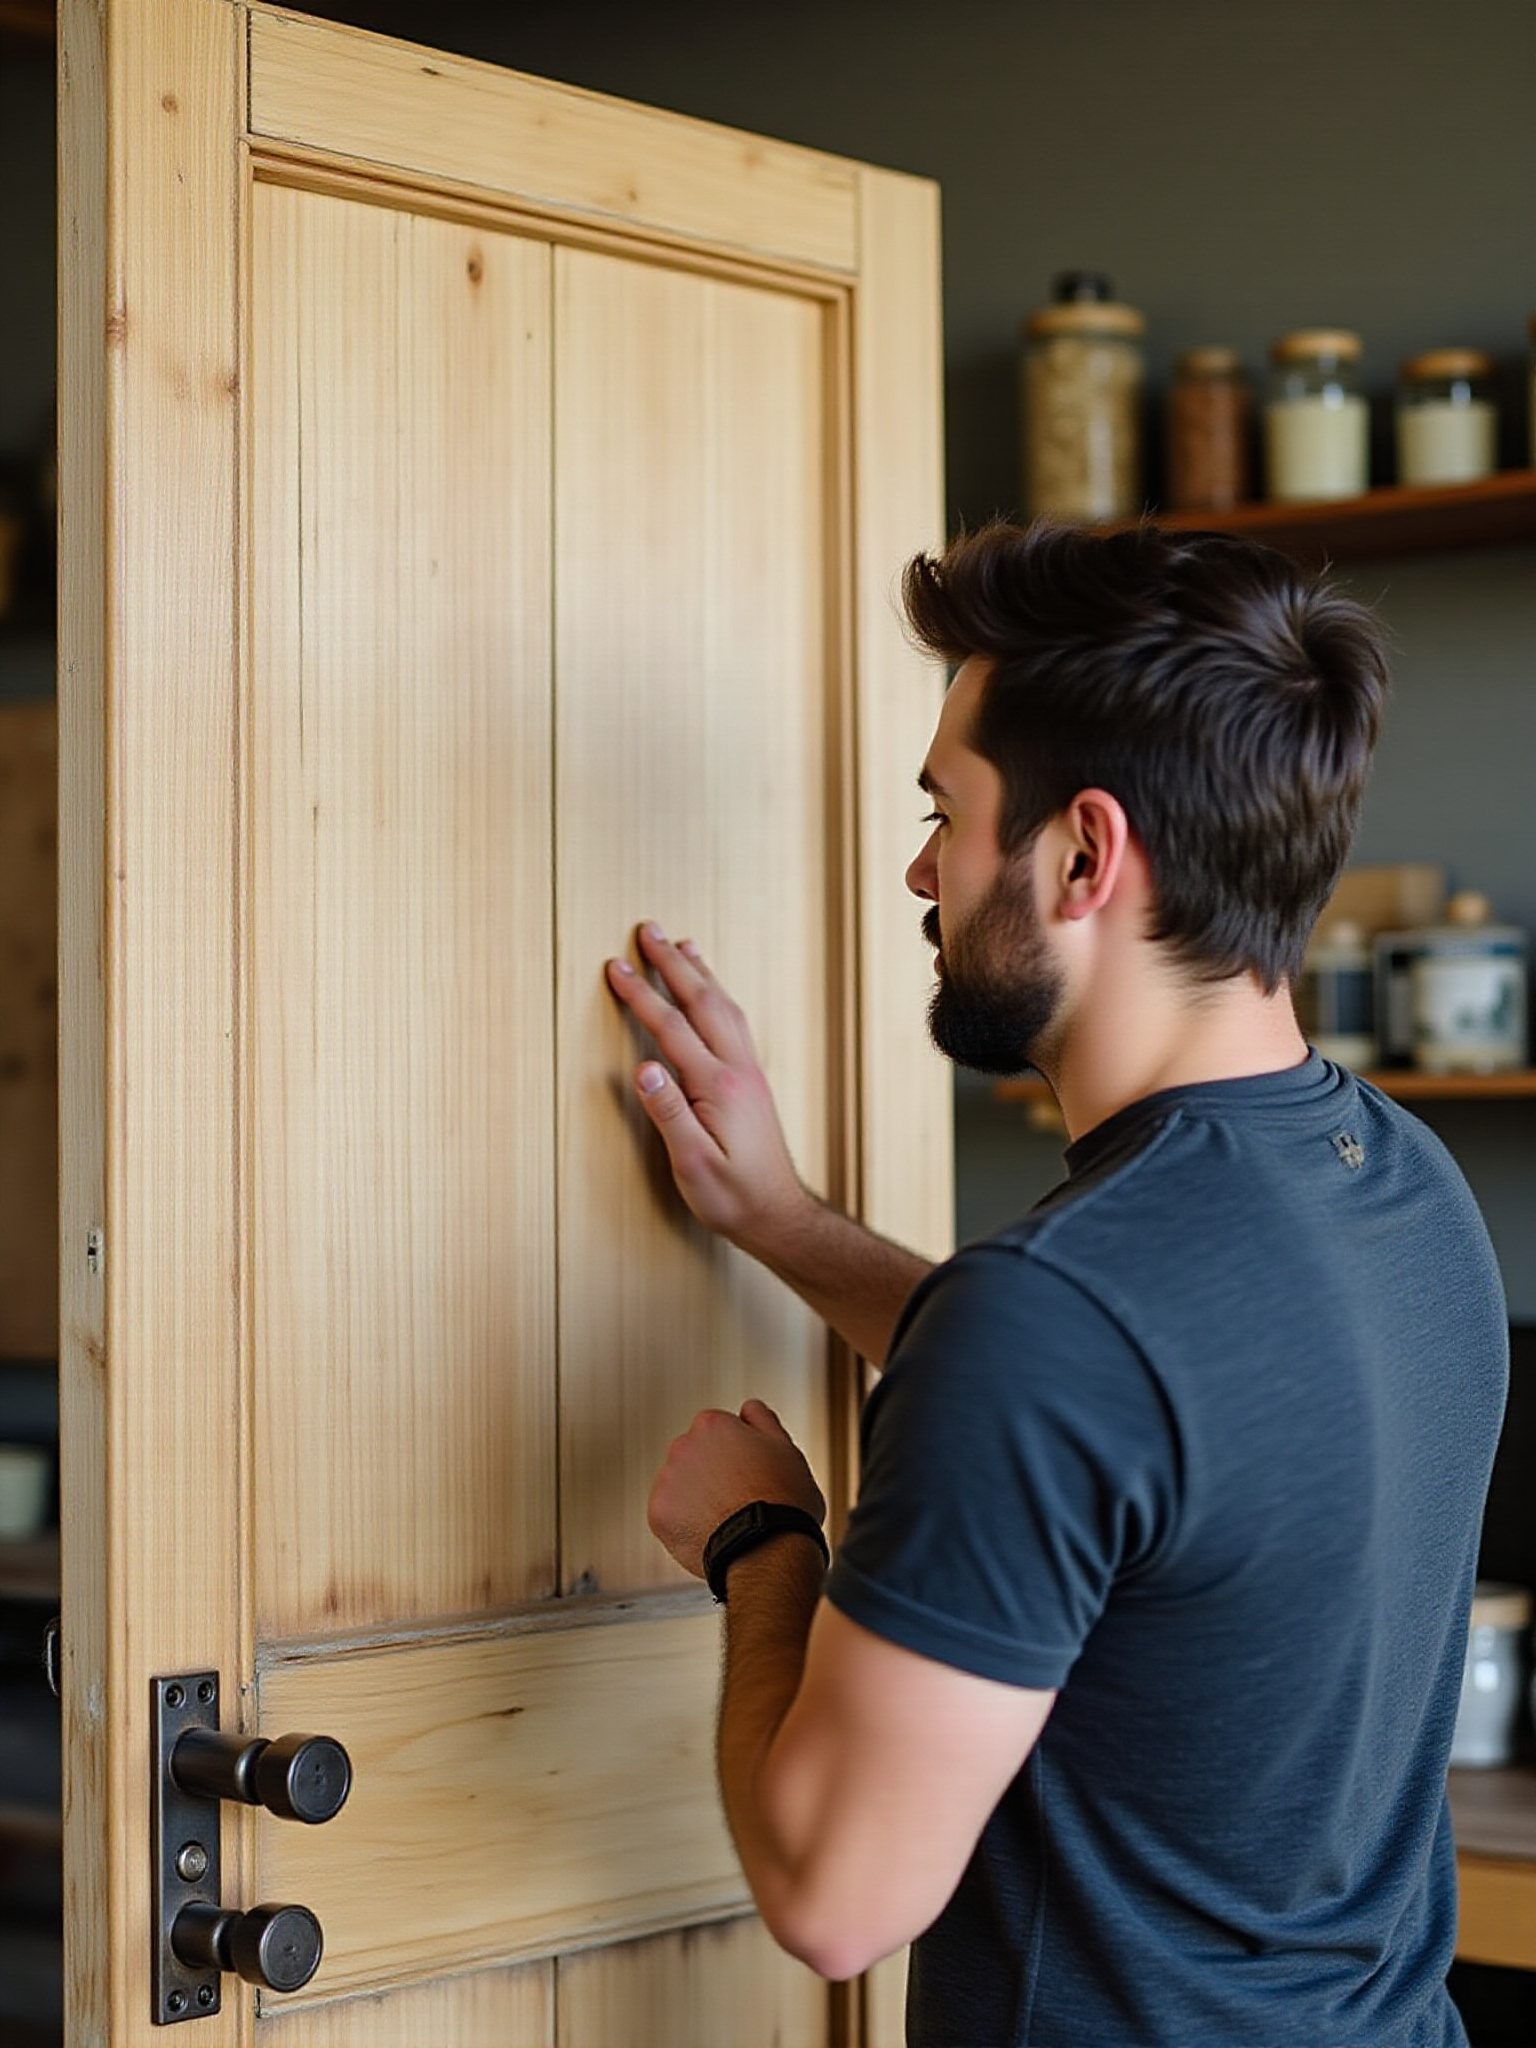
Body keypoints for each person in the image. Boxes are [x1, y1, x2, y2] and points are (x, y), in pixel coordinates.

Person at [604, 520, 1507, 2048]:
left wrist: (764, 1542)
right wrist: (788, 1222)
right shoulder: (1403, 1180)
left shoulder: (1053, 1325)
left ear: (1085, 853)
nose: (918, 869)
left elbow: (835, 1894)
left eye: (945, 812)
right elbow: (1134, 1430)